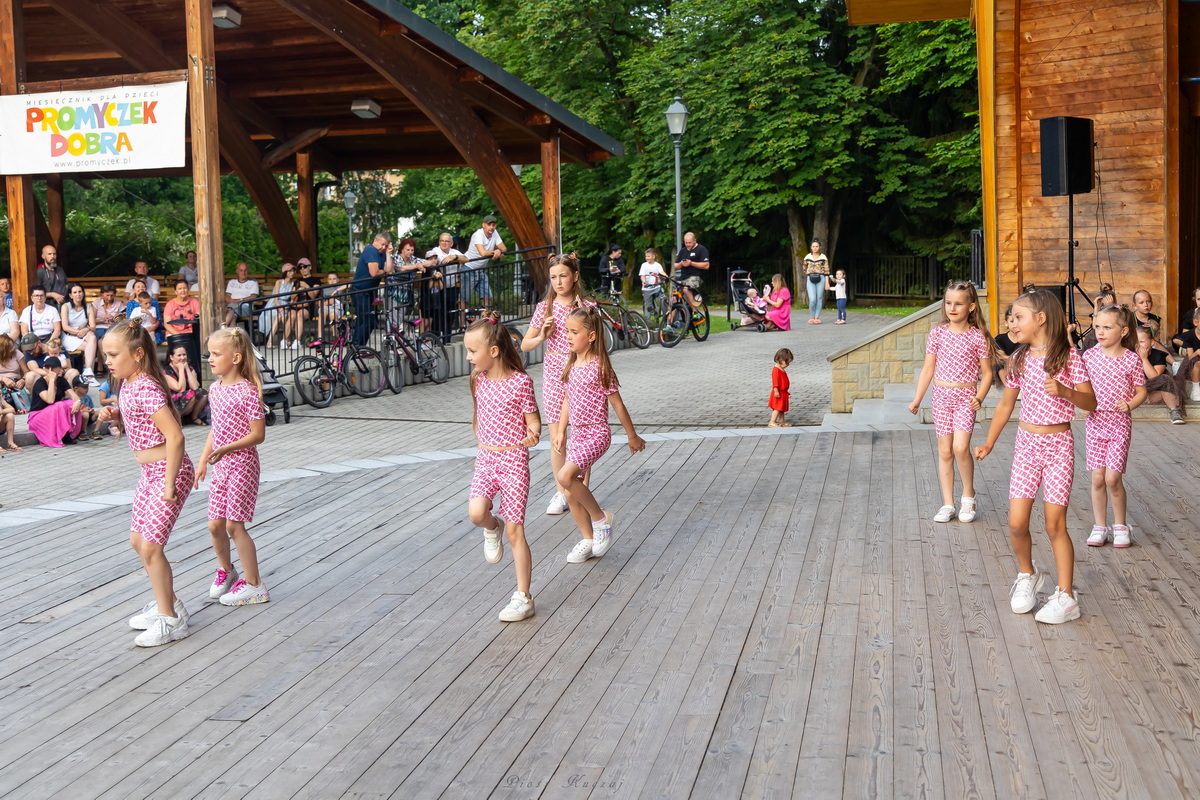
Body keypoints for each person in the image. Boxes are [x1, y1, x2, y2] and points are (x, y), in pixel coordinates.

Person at [974, 289, 1096, 625]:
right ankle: (1028, 574)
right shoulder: (1018, 359)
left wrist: (1066, 391)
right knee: (1016, 523)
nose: (1012, 324)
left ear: (1040, 319)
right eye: (1011, 318)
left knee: (1055, 524)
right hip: (1026, 446)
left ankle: (1067, 596)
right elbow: (1005, 404)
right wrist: (989, 442)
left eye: (1018, 317)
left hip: (1058, 445)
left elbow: (1090, 403)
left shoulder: (1069, 357)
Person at [97, 318, 194, 647]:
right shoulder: (128, 383)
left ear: (137, 354)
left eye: (112, 354)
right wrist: (116, 415)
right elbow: (142, 419)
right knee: (139, 541)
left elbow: (175, 437)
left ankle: (170, 620)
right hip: (149, 473)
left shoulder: (147, 386)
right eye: (105, 355)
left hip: (169, 472)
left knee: (152, 546)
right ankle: (169, 604)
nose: (107, 361)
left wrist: (170, 485)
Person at [464, 313, 542, 622]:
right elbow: (480, 415)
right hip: (486, 459)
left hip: (513, 461)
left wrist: (533, 433)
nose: (469, 357)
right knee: (476, 514)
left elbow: (533, 419)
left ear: (493, 351)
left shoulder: (521, 382)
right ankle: (491, 527)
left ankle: (523, 596)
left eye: (472, 351)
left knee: (515, 532)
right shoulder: (477, 380)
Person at [553, 306, 646, 563]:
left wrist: (632, 435)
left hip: (596, 433)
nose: (569, 337)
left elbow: (618, 404)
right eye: (567, 332)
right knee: (571, 492)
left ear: (591, 336)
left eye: (574, 332)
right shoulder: (572, 364)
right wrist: (561, 431)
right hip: (577, 435)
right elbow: (567, 401)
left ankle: (601, 519)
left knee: (565, 476)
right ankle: (588, 538)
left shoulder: (599, 366)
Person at [909, 282, 996, 523]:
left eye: (958, 303)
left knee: (960, 448)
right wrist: (918, 399)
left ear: (971, 306)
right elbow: (928, 369)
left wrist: (980, 397)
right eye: (948, 303)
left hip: (966, 399)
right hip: (941, 398)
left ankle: (968, 495)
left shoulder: (977, 336)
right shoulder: (937, 333)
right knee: (945, 451)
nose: (952, 307)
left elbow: (987, 373)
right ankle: (948, 503)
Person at [196, 326, 270, 607]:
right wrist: (203, 460)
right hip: (221, 466)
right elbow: (216, 430)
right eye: (209, 354)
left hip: (242, 465)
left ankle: (255, 585)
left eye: (216, 354)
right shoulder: (215, 389)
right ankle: (227, 571)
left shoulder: (248, 392)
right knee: (215, 524)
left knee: (233, 525)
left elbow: (258, 435)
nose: (210, 359)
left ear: (236, 358)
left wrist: (227, 448)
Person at [521, 254, 595, 516]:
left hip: (581, 374)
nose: (558, 281)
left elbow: (597, 346)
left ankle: (580, 489)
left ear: (575, 276)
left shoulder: (587, 307)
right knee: (557, 438)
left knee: (582, 436)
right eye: (553, 277)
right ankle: (562, 491)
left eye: (563, 275)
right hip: (554, 373)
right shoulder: (545, 308)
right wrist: (543, 335)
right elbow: (525, 344)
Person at [1081, 305, 1147, 549]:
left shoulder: (1131, 359)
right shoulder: (1088, 356)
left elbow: (1142, 391)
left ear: (1123, 330)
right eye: (1097, 326)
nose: (1100, 332)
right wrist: (1084, 404)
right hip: (1095, 423)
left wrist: (1129, 405)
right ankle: (1100, 526)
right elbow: (1082, 388)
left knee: (1112, 478)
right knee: (1097, 478)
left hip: (1119, 423)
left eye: (1107, 327)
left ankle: (1120, 525)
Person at [26, 356, 86, 447]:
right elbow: (50, 400)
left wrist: (77, 402)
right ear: (44, 369)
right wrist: (51, 380)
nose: (51, 370)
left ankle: (69, 433)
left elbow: (74, 396)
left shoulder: (61, 381)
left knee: (70, 403)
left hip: (53, 412)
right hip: (37, 415)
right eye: (48, 367)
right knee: (59, 405)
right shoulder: (40, 383)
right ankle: (60, 436)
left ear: (60, 369)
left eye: (54, 367)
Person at [1135, 325, 1185, 424]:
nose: (1138, 345)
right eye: (1135, 342)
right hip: (1134, 392)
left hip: (1151, 391)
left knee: (1165, 379)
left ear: (1152, 342)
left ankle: (1174, 411)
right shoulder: (1128, 354)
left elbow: (1154, 377)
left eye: (1141, 342)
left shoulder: (1158, 355)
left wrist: (1144, 359)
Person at [463, 215, 506, 326]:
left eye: (493, 225)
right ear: (483, 225)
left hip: (481, 270)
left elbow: (504, 248)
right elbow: (482, 253)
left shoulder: (495, 233)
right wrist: (496, 252)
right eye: (489, 225)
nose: (491, 227)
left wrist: (499, 250)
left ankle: (485, 322)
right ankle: (461, 324)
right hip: (469, 268)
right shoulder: (478, 235)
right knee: (465, 299)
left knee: (487, 297)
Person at [352, 232, 394, 346]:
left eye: (386, 245)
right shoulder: (371, 250)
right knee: (366, 320)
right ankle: (357, 347)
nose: (383, 247)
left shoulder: (382, 252)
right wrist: (384, 271)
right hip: (360, 291)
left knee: (367, 320)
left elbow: (390, 270)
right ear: (375, 241)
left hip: (368, 291)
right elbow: (374, 272)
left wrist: (388, 253)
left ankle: (358, 347)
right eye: (382, 244)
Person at [425, 233, 467, 339]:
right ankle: (436, 338)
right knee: (438, 313)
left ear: (451, 243)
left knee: (450, 312)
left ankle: (447, 337)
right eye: (442, 241)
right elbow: (429, 263)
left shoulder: (454, 252)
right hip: (438, 288)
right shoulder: (435, 251)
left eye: (446, 241)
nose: (444, 243)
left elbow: (466, 259)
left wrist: (454, 257)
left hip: (452, 287)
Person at [60, 283, 99, 385]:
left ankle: (88, 371)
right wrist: (79, 332)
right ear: (71, 295)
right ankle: (88, 374)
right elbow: (65, 327)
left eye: (80, 291)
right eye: (75, 292)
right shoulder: (66, 307)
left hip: (84, 335)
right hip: (69, 336)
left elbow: (93, 326)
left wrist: (85, 330)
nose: (78, 294)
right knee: (90, 345)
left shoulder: (88, 307)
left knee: (92, 336)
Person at [163, 344, 208, 426]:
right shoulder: (166, 371)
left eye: (184, 354)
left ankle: (194, 417)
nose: (183, 358)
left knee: (203, 393)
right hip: (171, 401)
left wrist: (186, 368)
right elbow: (180, 388)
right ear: (171, 357)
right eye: (179, 355)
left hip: (186, 397)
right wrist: (180, 369)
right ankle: (176, 418)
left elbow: (195, 387)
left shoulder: (190, 368)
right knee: (190, 394)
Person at [671, 232, 710, 318]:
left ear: (694, 240)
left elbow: (706, 265)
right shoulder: (683, 251)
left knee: (686, 289)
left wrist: (691, 263)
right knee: (673, 298)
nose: (688, 245)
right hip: (683, 277)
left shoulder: (701, 249)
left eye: (690, 242)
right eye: (686, 243)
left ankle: (695, 311)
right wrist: (682, 263)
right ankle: (669, 324)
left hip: (696, 277)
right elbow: (675, 266)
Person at [260, 263, 296, 349]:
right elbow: (275, 298)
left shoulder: (293, 284)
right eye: (290, 271)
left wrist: (287, 306)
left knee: (282, 317)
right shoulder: (279, 282)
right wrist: (279, 308)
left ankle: (273, 340)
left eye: (293, 271)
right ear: (285, 272)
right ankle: (286, 339)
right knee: (280, 316)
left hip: (285, 305)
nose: (292, 273)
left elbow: (292, 298)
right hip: (274, 304)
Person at [0, 334, 30, 413]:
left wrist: (23, 380)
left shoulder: (16, 353)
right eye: (9, 348)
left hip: (15, 381)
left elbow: (26, 371)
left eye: (12, 346)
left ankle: (10, 409)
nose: (12, 349)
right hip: (1, 381)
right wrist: (3, 379)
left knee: (9, 390)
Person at [223, 262, 260, 327]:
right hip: (232, 305)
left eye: (245, 270)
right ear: (237, 271)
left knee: (231, 310)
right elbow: (226, 295)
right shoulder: (232, 282)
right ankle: (234, 336)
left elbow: (253, 296)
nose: (243, 273)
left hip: (245, 306)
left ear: (248, 271)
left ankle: (223, 328)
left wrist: (240, 300)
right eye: (241, 270)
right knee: (233, 317)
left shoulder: (253, 282)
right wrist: (232, 301)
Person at [803, 239, 829, 324]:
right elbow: (804, 268)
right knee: (812, 299)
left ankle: (817, 317)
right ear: (811, 247)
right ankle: (812, 316)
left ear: (820, 247)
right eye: (813, 246)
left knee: (819, 298)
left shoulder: (823, 257)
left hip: (820, 277)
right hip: (810, 278)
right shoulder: (807, 257)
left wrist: (827, 282)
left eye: (817, 246)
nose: (815, 248)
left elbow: (826, 271)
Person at [69, 374, 102, 439]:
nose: (87, 389)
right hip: (78, 419)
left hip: (88, 418)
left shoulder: (88, 397)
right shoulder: (71, 398)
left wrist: (92, 411)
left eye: (87, 386)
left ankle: (96, 431)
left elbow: (91, 408)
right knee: (85, 414)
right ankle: (82, 433)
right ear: (76, 388)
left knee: (101, 412)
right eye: (84, 387)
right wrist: (83, 411)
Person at [768, 348, 793, 427]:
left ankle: (781, 421)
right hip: (779, 392)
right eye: (787, 362)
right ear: (781, 360)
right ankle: (772, 421)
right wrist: (776, 391)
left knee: (781, 408)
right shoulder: (776, 370)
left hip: (783, 392)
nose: (788, 364)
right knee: (777, 408)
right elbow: (775, 382)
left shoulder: (781, 369)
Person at [638, 248, 667, 315]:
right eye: (646, 256)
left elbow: (661, 272)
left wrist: (665, 276)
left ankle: (666, 317)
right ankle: (647, 321)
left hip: (657, 287)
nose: (647, 258)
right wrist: (644, 281)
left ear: (653, 257)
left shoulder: (657, 265)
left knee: (663, 299)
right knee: (647, 305)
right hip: (647, 288)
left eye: (648, 256)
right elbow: (642, 275)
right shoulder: (644, 265)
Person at [319, 272, 345, 341]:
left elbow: (348, 285)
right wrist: (327, 302)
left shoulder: (340, 288)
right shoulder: (324, 289)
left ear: (338, 280)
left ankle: (335, 335)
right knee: (322, 312)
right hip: (326, 307)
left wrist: (335, 291)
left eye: (334, 279)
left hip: (336, 307)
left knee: (332, 314)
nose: (332, 281)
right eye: (330, 279)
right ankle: (320, 337)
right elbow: (320, 302)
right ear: (327, 280)